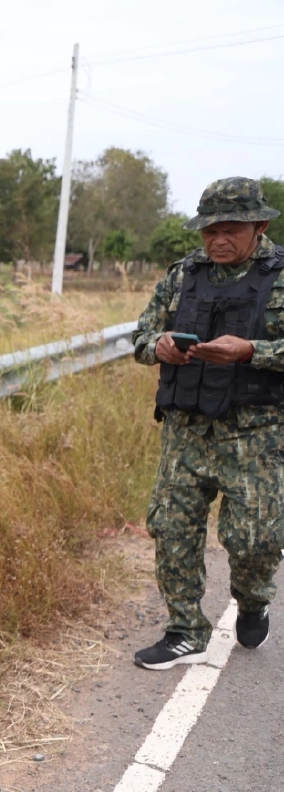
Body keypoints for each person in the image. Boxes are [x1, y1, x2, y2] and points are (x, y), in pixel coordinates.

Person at [131, 176, 284, 670]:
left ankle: (254, 596)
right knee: (172, 526)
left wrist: (251, 352)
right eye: (209, 230)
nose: (217, 240)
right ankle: (184, 631)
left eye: (231, 229)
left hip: (256, 434)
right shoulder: (182, 276)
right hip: (186, 429)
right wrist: (158, 346)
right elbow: (141, 334)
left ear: (259, 225)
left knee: (256, 538)